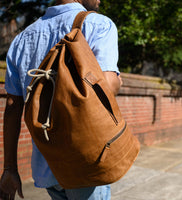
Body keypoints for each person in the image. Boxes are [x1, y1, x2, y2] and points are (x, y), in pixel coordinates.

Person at [0, 0, 122, 199]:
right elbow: (106, 87)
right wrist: (118, 80)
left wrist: (10, 168)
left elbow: (13, 107)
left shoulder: (22, 39)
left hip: (46, 164)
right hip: (85, 165)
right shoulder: (99, 25)